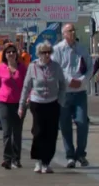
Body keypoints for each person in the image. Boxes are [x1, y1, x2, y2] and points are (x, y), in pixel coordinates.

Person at [19, 42, 67, 174]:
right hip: (37, 102)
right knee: (38, 131)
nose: (47, 55)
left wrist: (61, 101)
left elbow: (63, 84)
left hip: (53, 102)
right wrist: (21, 105)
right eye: (44, 52)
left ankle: (47, 161)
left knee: (51, 133)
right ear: (39, 54)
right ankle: (38, 160)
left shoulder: (56, 67)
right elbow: (26, 86)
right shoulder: (32, 67)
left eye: (49, 52)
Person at [52, 24, 91, 168]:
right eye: (70, 31)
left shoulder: (82, 48)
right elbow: (56, 68)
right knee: (65, 125)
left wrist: (82, 80)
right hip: (64, 92)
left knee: (82, 123)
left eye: (74, 30)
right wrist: (69, 80)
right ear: (64, 34)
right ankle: (70, 155)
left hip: (80, 92)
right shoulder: (57, 49)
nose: (73, 33)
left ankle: (80, 153)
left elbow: (90, 66)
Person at [0, 43, 27, 169]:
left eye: (13, 52)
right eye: (8, 52)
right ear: (4, 55)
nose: (11, 54)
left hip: (19, 103)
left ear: (16, 54)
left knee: (17, 132)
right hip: (3, 102)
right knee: (6, 132)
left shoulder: (23, 68)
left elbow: (29, 85)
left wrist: (29, 98)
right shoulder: (0, 68)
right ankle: (7, 159)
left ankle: (16, 158)